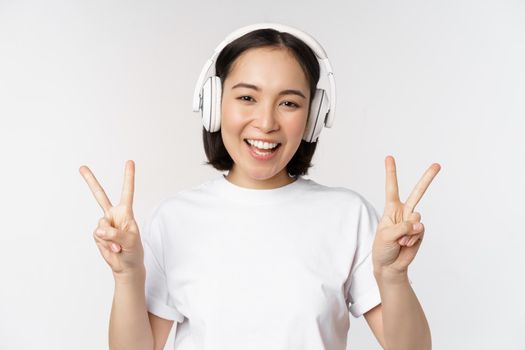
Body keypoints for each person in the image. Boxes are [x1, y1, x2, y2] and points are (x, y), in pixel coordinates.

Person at [80, 23, 440, 350]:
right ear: (213, 106)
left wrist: (393, 276)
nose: (266, 122)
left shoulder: (349, 216)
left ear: (313, 118)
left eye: (288, 103)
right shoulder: (175, 219)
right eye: (247, 97)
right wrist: (127, 275)